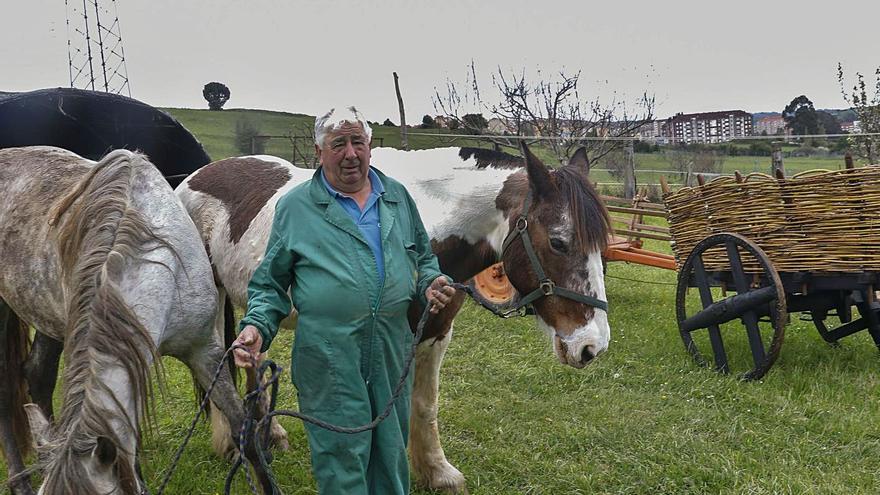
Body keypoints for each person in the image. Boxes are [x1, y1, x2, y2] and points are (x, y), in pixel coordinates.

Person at [232, 105, 455, 494]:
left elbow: (422, 257)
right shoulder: (297, 206)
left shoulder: (397, 197)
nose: (350, 153)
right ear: (320, 153)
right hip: (329, 353)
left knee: (389, 450)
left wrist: (431, 283)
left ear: (370, 146)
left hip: (389, 349)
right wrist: (256, 326)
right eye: (338, 144)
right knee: (341, 456)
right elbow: (270, 283)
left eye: (358, 142)